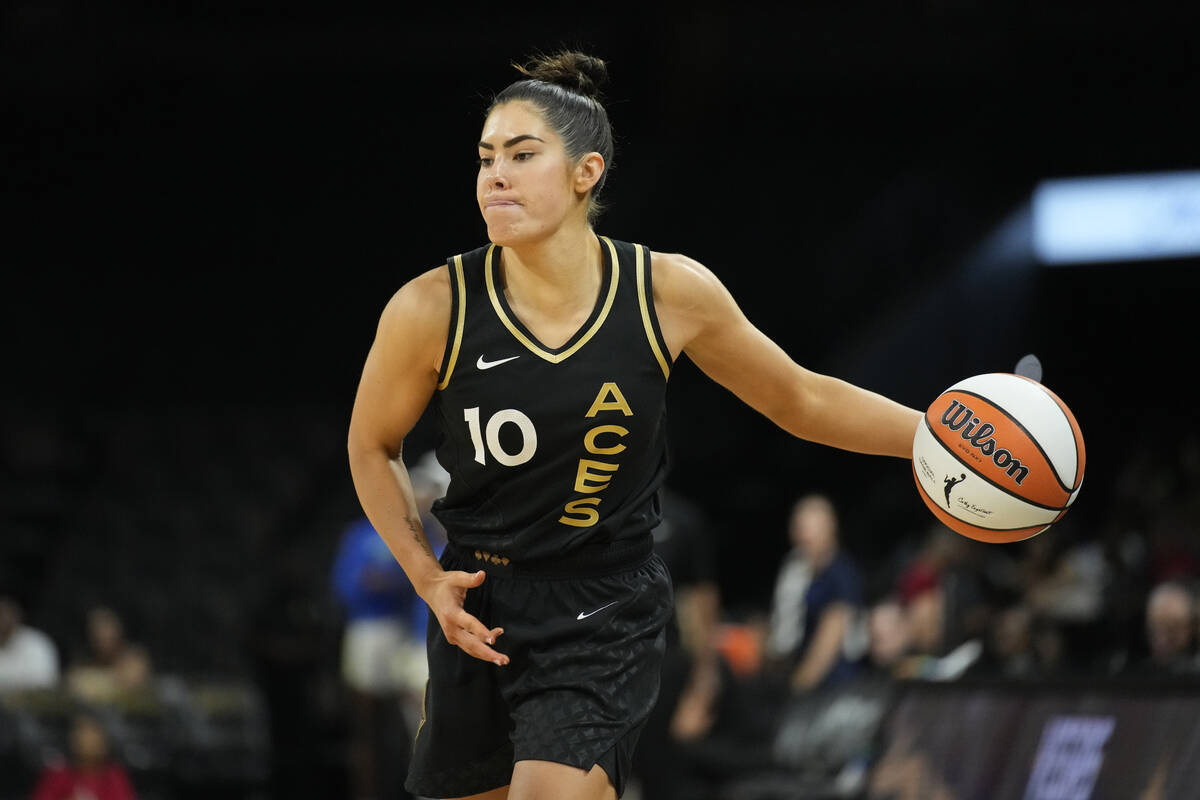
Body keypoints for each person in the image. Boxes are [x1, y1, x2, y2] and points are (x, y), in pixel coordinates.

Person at [345, 50, 925, 800]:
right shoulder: (431, 307)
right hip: (480, 600)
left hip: (601, 602)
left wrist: (930, 436)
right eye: (487, 157)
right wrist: (426, 577)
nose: (496, 175)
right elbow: (371, 444)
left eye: (523, 155)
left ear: (587, 172)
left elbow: (799, 398)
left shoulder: (666, 291)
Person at [332, 450, 450, 800]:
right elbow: (346, 586)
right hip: (389, 637)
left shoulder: (438, 539)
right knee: (382, 732)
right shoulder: (369, 534)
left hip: (421, 642)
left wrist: (388, 581)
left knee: (431, 740)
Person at [762, 493, 864, 693]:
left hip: (834, 688)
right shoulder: (797, 572)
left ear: (830, 528)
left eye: (809, 529)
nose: (802, 537)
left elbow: (830, 638)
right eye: (798, 528)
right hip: (798, 676)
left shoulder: (840, 573)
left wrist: (798, 687)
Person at [28, 711, 137, 800]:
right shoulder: (56, 774)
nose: (84, 739)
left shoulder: (114, 777)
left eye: (93, 732)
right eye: (80, 731)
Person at [64, 606, 152, 703]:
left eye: (107, 630)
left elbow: (132, 683)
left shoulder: (134, 657)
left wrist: (93, 682)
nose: (103, 637)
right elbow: (73, 683)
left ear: (118, 631)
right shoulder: (84, 660)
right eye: (97, 632)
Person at [0, 596, 60, 692]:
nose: (2, 621)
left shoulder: (37, 644)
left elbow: (44, 683)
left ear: (16, 617)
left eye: (5, 615)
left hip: (30, 704)